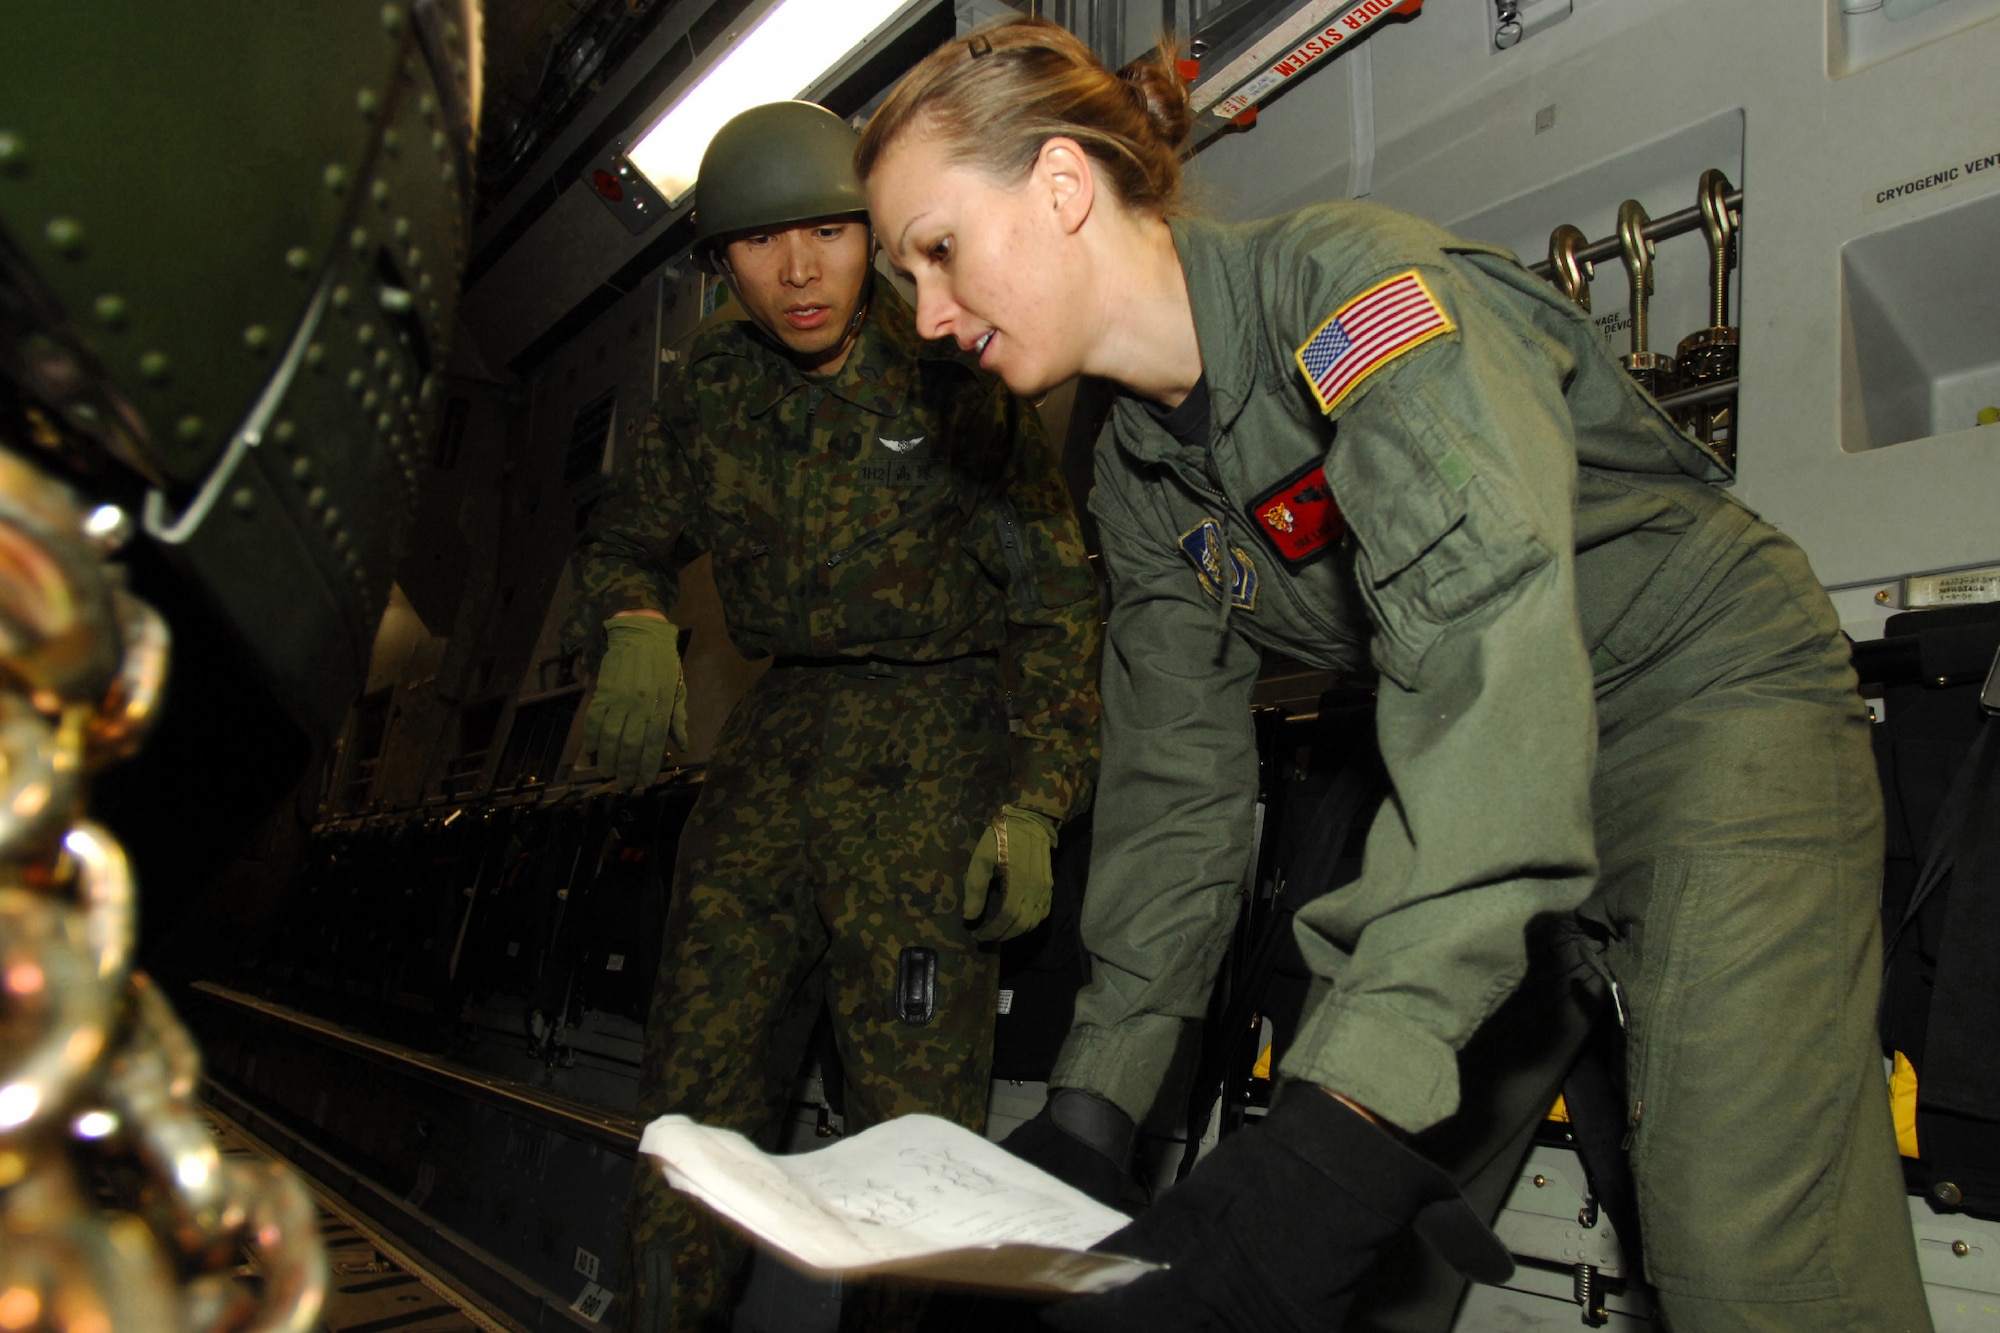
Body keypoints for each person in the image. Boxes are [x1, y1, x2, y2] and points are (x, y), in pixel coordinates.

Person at [856, 20, 1931, 1332]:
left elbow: (1489, 655)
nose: (927, 313)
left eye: (938, 250)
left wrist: (1333, 1140)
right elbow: (1174, 797)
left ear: (1063, 187)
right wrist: (1092, 1117)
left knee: (1745, 1263)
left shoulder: (1357, 303)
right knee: (1348, 1275)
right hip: (1476, 769)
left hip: (1702, 707)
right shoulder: (1138, 475)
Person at [567, 99, 1102, 1332]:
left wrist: (1033, 798)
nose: (798, 272)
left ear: (874, 234)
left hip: (933, 757)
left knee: (913, 1152)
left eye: (827, 231)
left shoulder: (950, 367)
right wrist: (635, 621)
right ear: (719, 265)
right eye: (760, 244)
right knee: (691, 1116)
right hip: (770, 760)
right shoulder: (709, 385)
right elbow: (629, 535)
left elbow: (1056, 605)